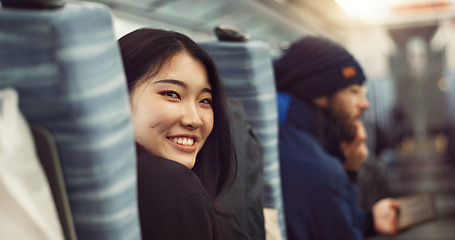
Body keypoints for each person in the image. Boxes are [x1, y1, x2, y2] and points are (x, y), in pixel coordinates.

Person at [273, 36, 399, 240]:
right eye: (353, 91)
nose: (365, 103)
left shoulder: (288, 140)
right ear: (319, 93)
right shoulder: (319, 171)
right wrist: (346, 176)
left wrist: (368, 221)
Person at [118, 28, 236, 240]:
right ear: (119, 96)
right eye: (171, 94)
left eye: (205, 101)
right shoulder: (173, 186)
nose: (194, 119)